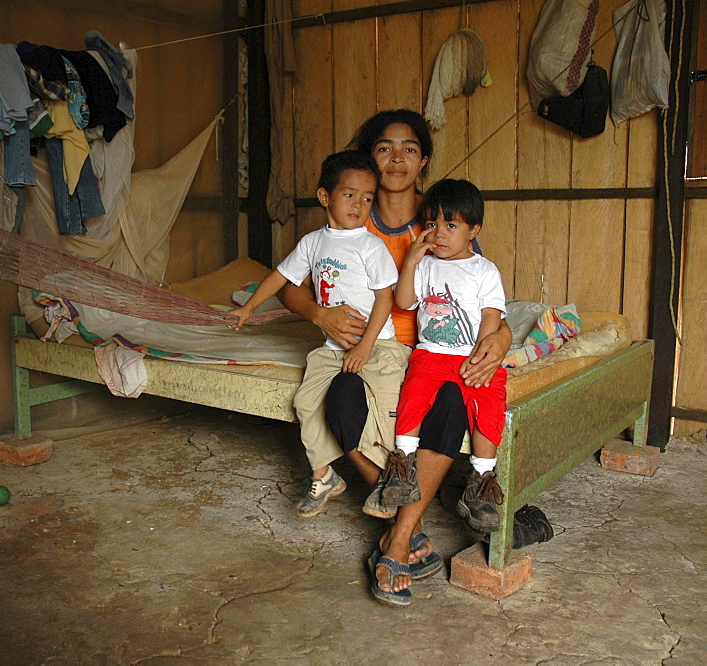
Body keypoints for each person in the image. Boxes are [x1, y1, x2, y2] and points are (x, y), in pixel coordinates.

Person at [280, 110, 540, 607]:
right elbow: (290, 288)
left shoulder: (443, 215)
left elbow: (479, 295)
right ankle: (411, 518)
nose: (396, 158)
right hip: (364, 347)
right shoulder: (350, 214)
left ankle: (398, 540)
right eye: (384, 147)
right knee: (339, 395)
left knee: (447, 399)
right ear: (368, 158)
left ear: (423, 160)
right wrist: (319, 315)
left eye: (409, 149)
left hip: (429, 350)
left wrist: (502, 340)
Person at [229, 149, 410, 519]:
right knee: (306, 403)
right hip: (332, 347)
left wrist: (365, 346)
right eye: (349, 195)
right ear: (325, 196)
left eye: (367, 198)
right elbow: (282, 276)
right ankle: (324, 475)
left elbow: (384, 301)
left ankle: (394, 477)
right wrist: (248, 307)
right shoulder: (314, 242)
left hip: (381, 344)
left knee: (387, 410)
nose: (359, 205)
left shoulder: (369, 245)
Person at [392, 179, 508, 535]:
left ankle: (482, 478)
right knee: (414, 393)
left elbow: (492, 315)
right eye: (432, 225)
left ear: (474, 229)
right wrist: (412, 259)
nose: (439, 234)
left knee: (490, 400)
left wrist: (483, 354)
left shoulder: (484, 270)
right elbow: (403, 302)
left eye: (451, 225)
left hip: (469, 356)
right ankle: (402, 464)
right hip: (431, 352)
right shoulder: (425, 265)